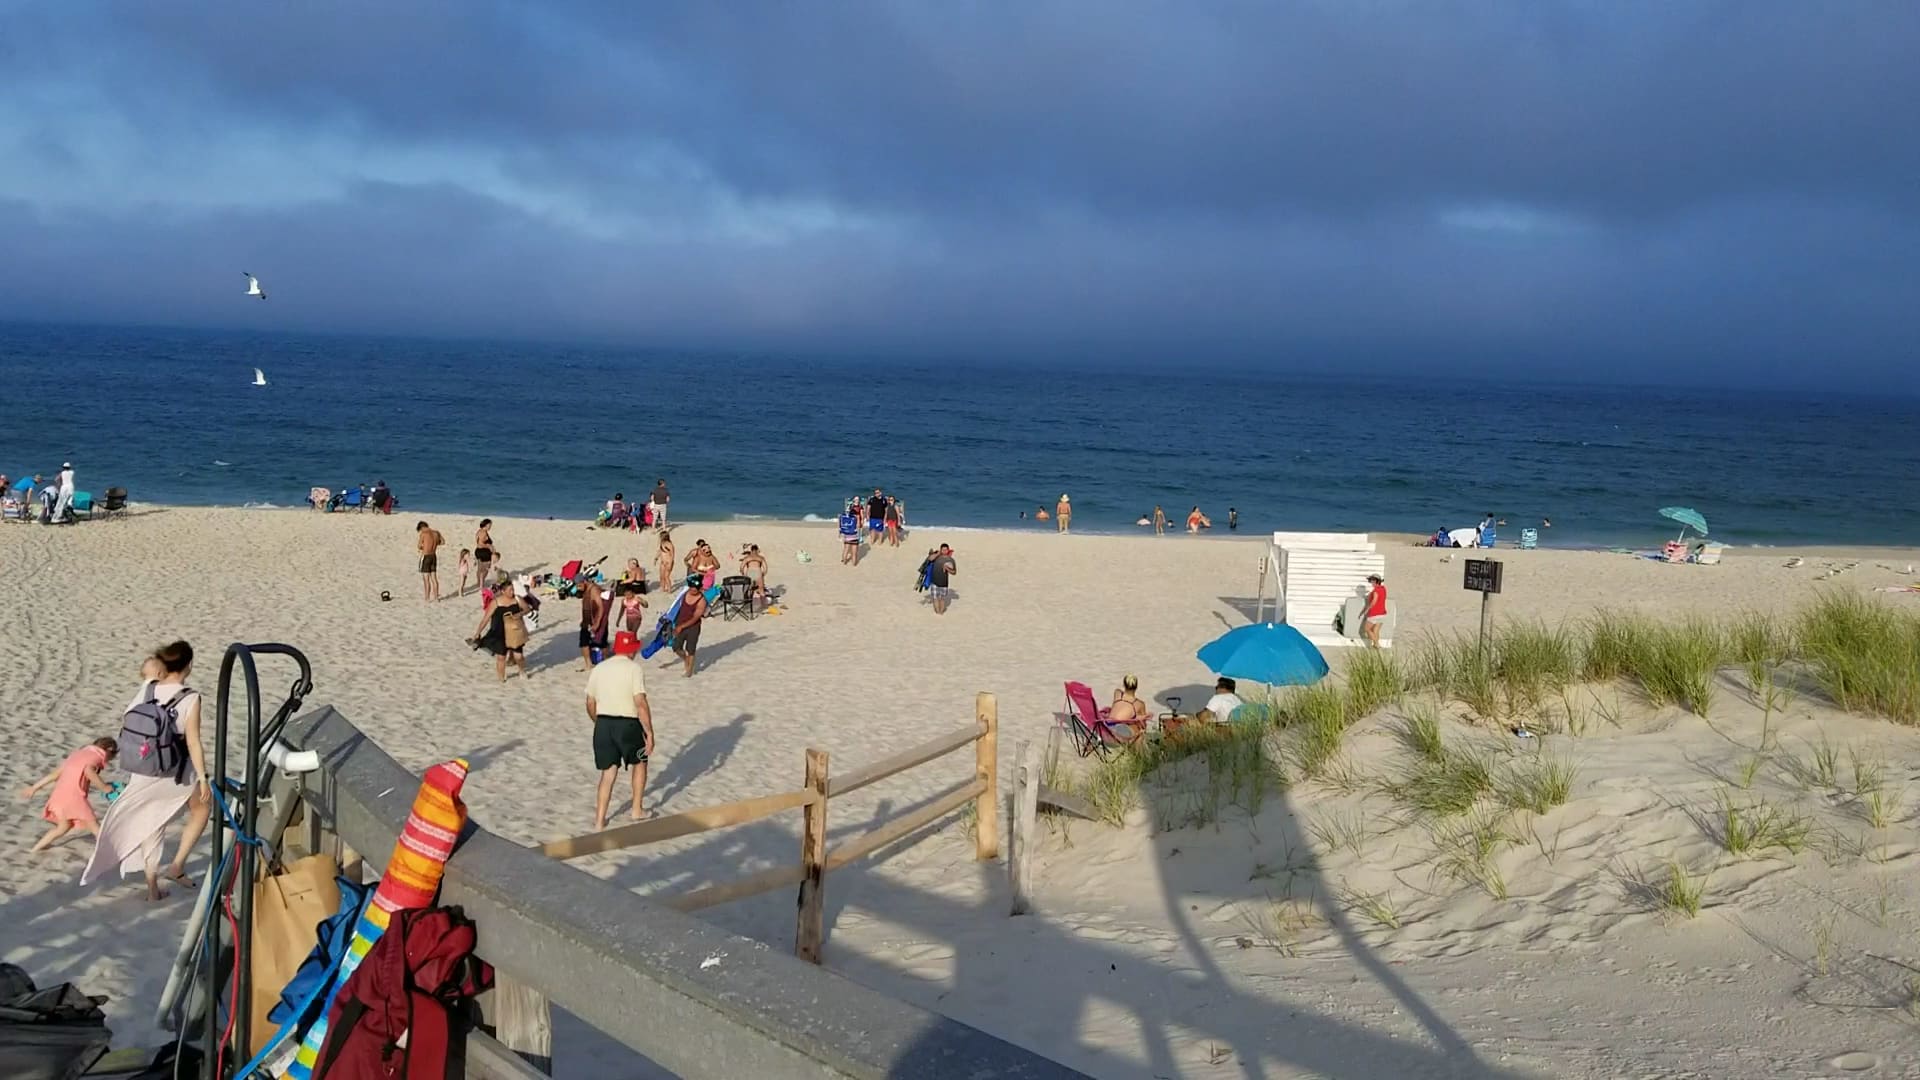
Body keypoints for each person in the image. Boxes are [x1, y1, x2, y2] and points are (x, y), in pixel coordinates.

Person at [81, 641, 212, 902]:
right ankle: (176, 866)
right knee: (201, 809)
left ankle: (153, 888)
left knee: (152, 823)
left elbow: (128, 718)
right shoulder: (190, 697)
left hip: (143, 767)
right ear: (189, 665)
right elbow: (193, 742)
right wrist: (202, 776)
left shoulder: (148, 688)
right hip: (174, 772)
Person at [586, 631, 656, 828]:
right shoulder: (634, 669)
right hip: (628, 724)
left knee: (608, 773)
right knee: (640, 762)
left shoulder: (599, 668)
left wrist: (597, 721)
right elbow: (640, 703)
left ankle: (599, 820)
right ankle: (636, 809)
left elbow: (590, 702)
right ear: (632, 650)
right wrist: (649, 732)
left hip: (603, 724)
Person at [20, 736, 118, 854]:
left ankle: (35, 849)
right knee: (95, 827)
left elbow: (55, 774)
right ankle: (111, 852)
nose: (108, 761)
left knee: (63, 827)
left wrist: (34, 787)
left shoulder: (77, 754)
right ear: (108, 750)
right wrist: (104, 787)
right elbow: (88, 771)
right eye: (111, 757)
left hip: (58, 796)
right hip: (75, 798)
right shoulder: (96, 756)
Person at [468, 582, 529, 681]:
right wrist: (477, 633)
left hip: (514, 631)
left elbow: (527, 609)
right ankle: (501, 678)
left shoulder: (517, 599)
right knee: (501, 657)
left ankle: (522, 671)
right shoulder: (495, 602)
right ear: (503, 591)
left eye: (513, 589)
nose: (512, 592)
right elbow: (485, 619)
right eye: (510, 590)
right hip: (499, 633)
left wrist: (520, 614)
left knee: (519, 656)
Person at [671, 573, 709, 677]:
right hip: (679, 623)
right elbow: (675, 606)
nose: (693, 590)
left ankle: (689, 671)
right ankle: (685, 659)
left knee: (690, 649)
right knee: (676, 647)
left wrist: (681, 626)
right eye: (691, 588)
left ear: (699, 589)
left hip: (693, 627)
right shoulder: (684, 593)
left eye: (695, 589)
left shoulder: (702, 600)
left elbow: (695, 617)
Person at [578, 579, 610, 670]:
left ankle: (605, 661)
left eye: (579, 585)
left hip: (595, 619)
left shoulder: (594, 590)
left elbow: (600, 607)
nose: (578, 588)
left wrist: (597, 622)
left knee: (602, 642)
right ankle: (588, 664)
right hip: (586, 620)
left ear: (584, 582)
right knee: (583, 642)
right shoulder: (586, 589)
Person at [415, 521, 445, 602]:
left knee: (426, 579)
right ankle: (436, 597)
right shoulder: (436, 533)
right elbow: (442, 542)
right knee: (434, 578)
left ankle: (427, 598)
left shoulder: (423, 534)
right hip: (433, 556)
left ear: (421, 528)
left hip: (426, 556)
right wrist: (434, 544)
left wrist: (424, 547)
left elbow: (419, 546)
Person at [927, 543, 957, 615]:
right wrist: (937, 554)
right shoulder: (936, 557)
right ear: (940, 550)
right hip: (934, 582)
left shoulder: (951, 560)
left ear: (948, 550)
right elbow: (930, 558)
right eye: (943, 550)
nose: (944, 551)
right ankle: (937, 613)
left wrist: (947, 569)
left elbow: (954, 572)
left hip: (944, 583)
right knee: (935, 598)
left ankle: (941, 612)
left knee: (942, 599)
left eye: (945, 550)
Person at [1363, 573, 1389, 648]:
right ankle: (1376, 646)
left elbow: (1374, 601)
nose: (1371, 582)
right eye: (1371, 580)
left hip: (1374, 613)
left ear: (1376, 581)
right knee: (1375, 630)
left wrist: (1367, 610)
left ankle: (1377, 644)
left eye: (1372, 580)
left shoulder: (1376, 590)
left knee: (1367, 629)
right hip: (1382, 613)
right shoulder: (1383, 589)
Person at [474, 519, 497, 586]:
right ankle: (481, 582)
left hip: (479, 551)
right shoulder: (483, 532)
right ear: (486, 525)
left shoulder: (479, 531)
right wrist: (489, 546)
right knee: (486, 569)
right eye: (490, 525)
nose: (490, 527)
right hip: (484, 553)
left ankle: (479, 582)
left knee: (479, 569)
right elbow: (480, 543)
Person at [838, 501, 861, 565]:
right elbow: (858, 526)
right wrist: (858, 518)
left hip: (847, 536)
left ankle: (844, 562)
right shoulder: (855, 517)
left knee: (845, 550)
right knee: (854, 553)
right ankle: (854, 564)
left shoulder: (842, 516)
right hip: (854, 536)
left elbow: (840, 526)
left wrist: (840, 534)